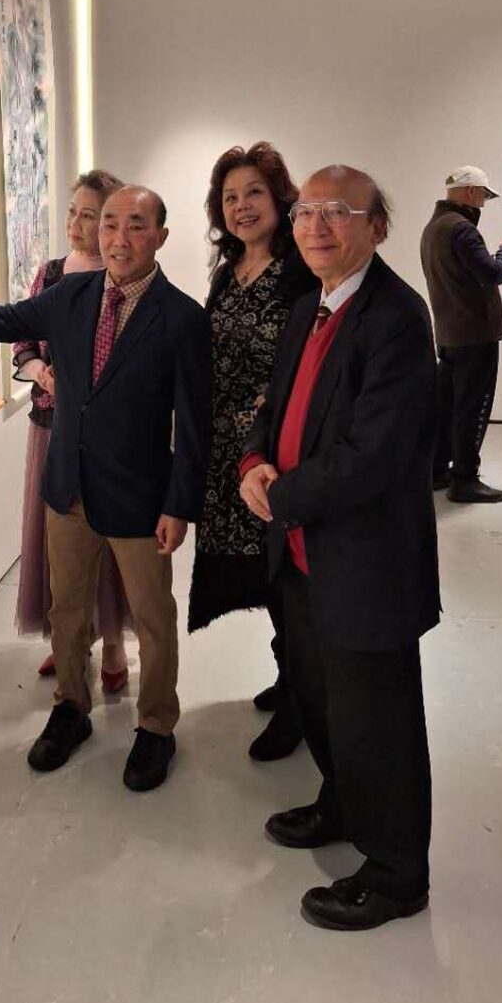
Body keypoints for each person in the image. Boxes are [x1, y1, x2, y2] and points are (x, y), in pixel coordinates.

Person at [0, 185, 211, 792]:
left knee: (154, 618)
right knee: (66, 609)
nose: (119, 238)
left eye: (136, 226)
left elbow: (194, 423)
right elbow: (2, 320)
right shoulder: (71, 294)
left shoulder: (182, 317)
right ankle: (71, 707)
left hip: (139, 496)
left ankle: (156, 726)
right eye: (110, 224)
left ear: (160, 236)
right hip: (68, 487)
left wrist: (179, 506)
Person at [240, 166, 440, 932]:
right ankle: (344, 804)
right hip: (301, 556)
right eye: (307, 211)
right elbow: (275, 407)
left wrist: (282, 494)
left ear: (376, 227)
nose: (317, 225)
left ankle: (397, 874)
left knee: (379, 723)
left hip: (364, 563)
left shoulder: (397, 317)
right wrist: (253, 461)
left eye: (339, 211)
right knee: (323, 701)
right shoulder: (307, 309)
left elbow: (374, 453)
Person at [188, 143, 313, 763]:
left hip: (273, 452)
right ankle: (289, 677)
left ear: (279, 198)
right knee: (265, 581)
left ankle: (301, 702)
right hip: (225, 455)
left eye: (253, 193)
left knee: (288, 577)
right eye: (230, 197)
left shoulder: (301, 272)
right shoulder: (228, 270)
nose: (241, 206)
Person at [12, 170, 131, 691]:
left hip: (109, 436)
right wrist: (40, 371)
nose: (77, 224)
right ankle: (69, 642)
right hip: (50, 425)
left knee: (110, 540)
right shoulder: (51, 275)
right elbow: (23, 338)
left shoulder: (126, 276)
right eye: (73, 212)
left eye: (90, 215)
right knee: (57, 543)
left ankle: (114, 642)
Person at [419, 166, 502, 503]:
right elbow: (493, 273)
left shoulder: (434, 227)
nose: (484, 201)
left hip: (449, 333)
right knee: (472, 406)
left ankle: (438, 470)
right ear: (470, 192)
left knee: (448, 405)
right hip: (475, 335)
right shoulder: (461, 229)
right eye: (484, 194)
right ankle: (465, 478)